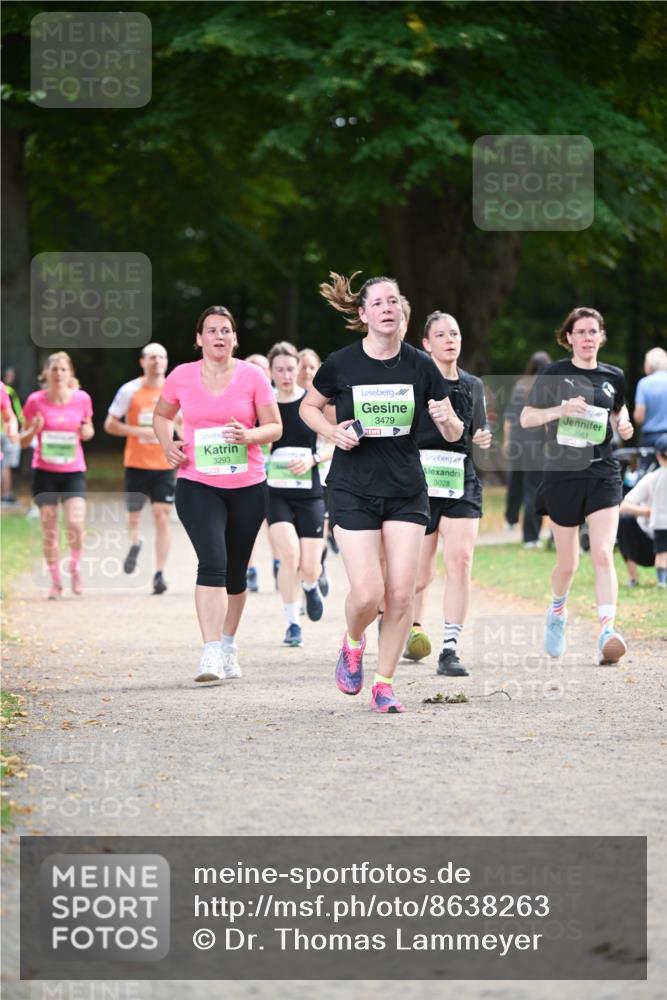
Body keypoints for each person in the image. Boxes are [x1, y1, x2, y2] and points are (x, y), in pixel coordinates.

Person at [300, 272, 462, 714]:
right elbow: (308, 407)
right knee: (368, 594)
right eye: (378, 302)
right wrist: (333, 432)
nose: (387, 308)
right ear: (363, 313)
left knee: (402, 594)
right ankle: (353, 642)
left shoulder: (420, 365)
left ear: (401, 311)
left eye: (394, 301)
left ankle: (384, 684)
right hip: (353, 488)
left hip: (406, 489)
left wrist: (447, 417)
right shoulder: (341, 363)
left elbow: (452, 431)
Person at [153, 306, 281, 684]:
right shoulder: (181, 376)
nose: (219, 337)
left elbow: (275, 426)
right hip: (197, 482)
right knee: (212, 561)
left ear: (235, 339)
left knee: (236, 573)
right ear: (199, 339)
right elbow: (161, 416)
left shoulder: (253, 376)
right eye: (211, 331)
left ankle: (227, 644)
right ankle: (209, 652)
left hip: (247, 485)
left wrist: (249, 435)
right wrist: (167, 444)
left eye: (226, 330)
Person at [520, 307, 634, 665]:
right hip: (562, 474)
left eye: (593, 332)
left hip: (602, 472)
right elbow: (527, 418)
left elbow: (619, 412)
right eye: (580, 332)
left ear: (601, 337)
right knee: (568, 563)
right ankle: (557, 610)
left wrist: (625, 424)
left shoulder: (613, 375)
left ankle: (607, 631)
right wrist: (560, 410)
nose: (587, 338)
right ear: (568, 337)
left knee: (602, 553)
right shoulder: (554, 373)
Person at [409, 311, 492, 675]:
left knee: (460, 561)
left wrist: (484, 438)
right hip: (419, 483)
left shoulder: (473, 385)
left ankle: (449, 649)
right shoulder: (414, 382)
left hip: (461, 479)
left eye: (454, 333)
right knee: (419, 574)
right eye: (440, 335)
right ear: (426, 344)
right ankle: (402, 625)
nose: (449, 339)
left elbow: (479, 432)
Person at [267, 341, 331, 645]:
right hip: (275, 493)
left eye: (290, 369)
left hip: (309, 492)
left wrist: (313, 458)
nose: (286, 375)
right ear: (270, 371)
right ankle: (293, 624)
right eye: (279, 369)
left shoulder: (311, 403)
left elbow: (335, 439)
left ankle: (310, 585)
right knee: (288, 556)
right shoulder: (264, 405)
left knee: (310, 565)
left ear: (298, 369)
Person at [20, 353, 94, 599]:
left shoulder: (82, 399)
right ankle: (55, 581)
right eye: (54, 369)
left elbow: (89, 429)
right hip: (44, 472)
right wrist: (33, 429)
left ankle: (75, 565)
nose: (59, 373)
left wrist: (86, 431)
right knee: (49, 528)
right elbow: (22, 441)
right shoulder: (35, 401)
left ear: (70, 373)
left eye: (63, 369)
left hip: (73, 471)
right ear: (46, 374)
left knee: (75, 522)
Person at [104, 343, 177, 595]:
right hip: (136, 462)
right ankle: (136, 543)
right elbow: (110, 424)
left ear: (166, 362)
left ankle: (159, 573)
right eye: (152, 357)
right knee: (134, 518)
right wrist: (139, 432)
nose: (157, 362)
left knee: (162, 515)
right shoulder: (129, 390)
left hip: (164, 464)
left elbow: (185, 421)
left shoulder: (174, 389)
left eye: (161, 357)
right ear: (142, 362)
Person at [503, 351, 552, 547]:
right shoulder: (544, 390)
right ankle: (531, 538)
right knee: (534, 490)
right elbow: (547, 422)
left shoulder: (519, 386)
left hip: (516, 443)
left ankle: (510, 519)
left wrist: (507, 442)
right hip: (534, 445)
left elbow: (509, 419)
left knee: (516, 483)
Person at [244, 351, 277, 592]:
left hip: (279, 471)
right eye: (252, 366)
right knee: (248, 523)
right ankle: (250, 568)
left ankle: (278, 563)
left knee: (274, 522)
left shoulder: (277, 398)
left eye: (262, 367)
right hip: (249, 469)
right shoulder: (239, 399)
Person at [618, 434, 667, 588]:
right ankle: (634, 577)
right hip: (646, 540)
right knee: (624, 520)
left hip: (661, 531)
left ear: (657, 456)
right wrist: (645, 511)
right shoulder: (650, 479)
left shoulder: (653, 477)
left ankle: (661, 580)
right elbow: (623, 506)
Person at [1, 367, 24, 504]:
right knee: (6, 466)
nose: (11, 377)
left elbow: (11, 416)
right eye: (9, 375)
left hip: (6, 432)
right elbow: (18, 412)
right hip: (5, 433)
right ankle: (6, 495)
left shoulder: (4, 390)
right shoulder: (8, 391)